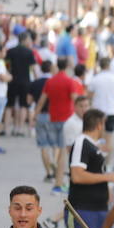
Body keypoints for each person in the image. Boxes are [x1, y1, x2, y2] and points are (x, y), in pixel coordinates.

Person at [37, 57, 78, 193]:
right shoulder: (70, 81)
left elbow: (42, 100)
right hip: (67, 119)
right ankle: (59, 183)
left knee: (57, 148)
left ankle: (58, 178)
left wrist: (35, 114)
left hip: (53, 118)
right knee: (65, 152)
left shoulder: (50, 81)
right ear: (67, 66)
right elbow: (75, 100)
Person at [87, 56, 114, 157]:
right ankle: (108, 165)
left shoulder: (95, 79)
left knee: (99, 139)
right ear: (109, 66)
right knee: (109, 139)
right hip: (112, 111)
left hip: (98, 112)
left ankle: (99, 163)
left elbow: (88, 96)